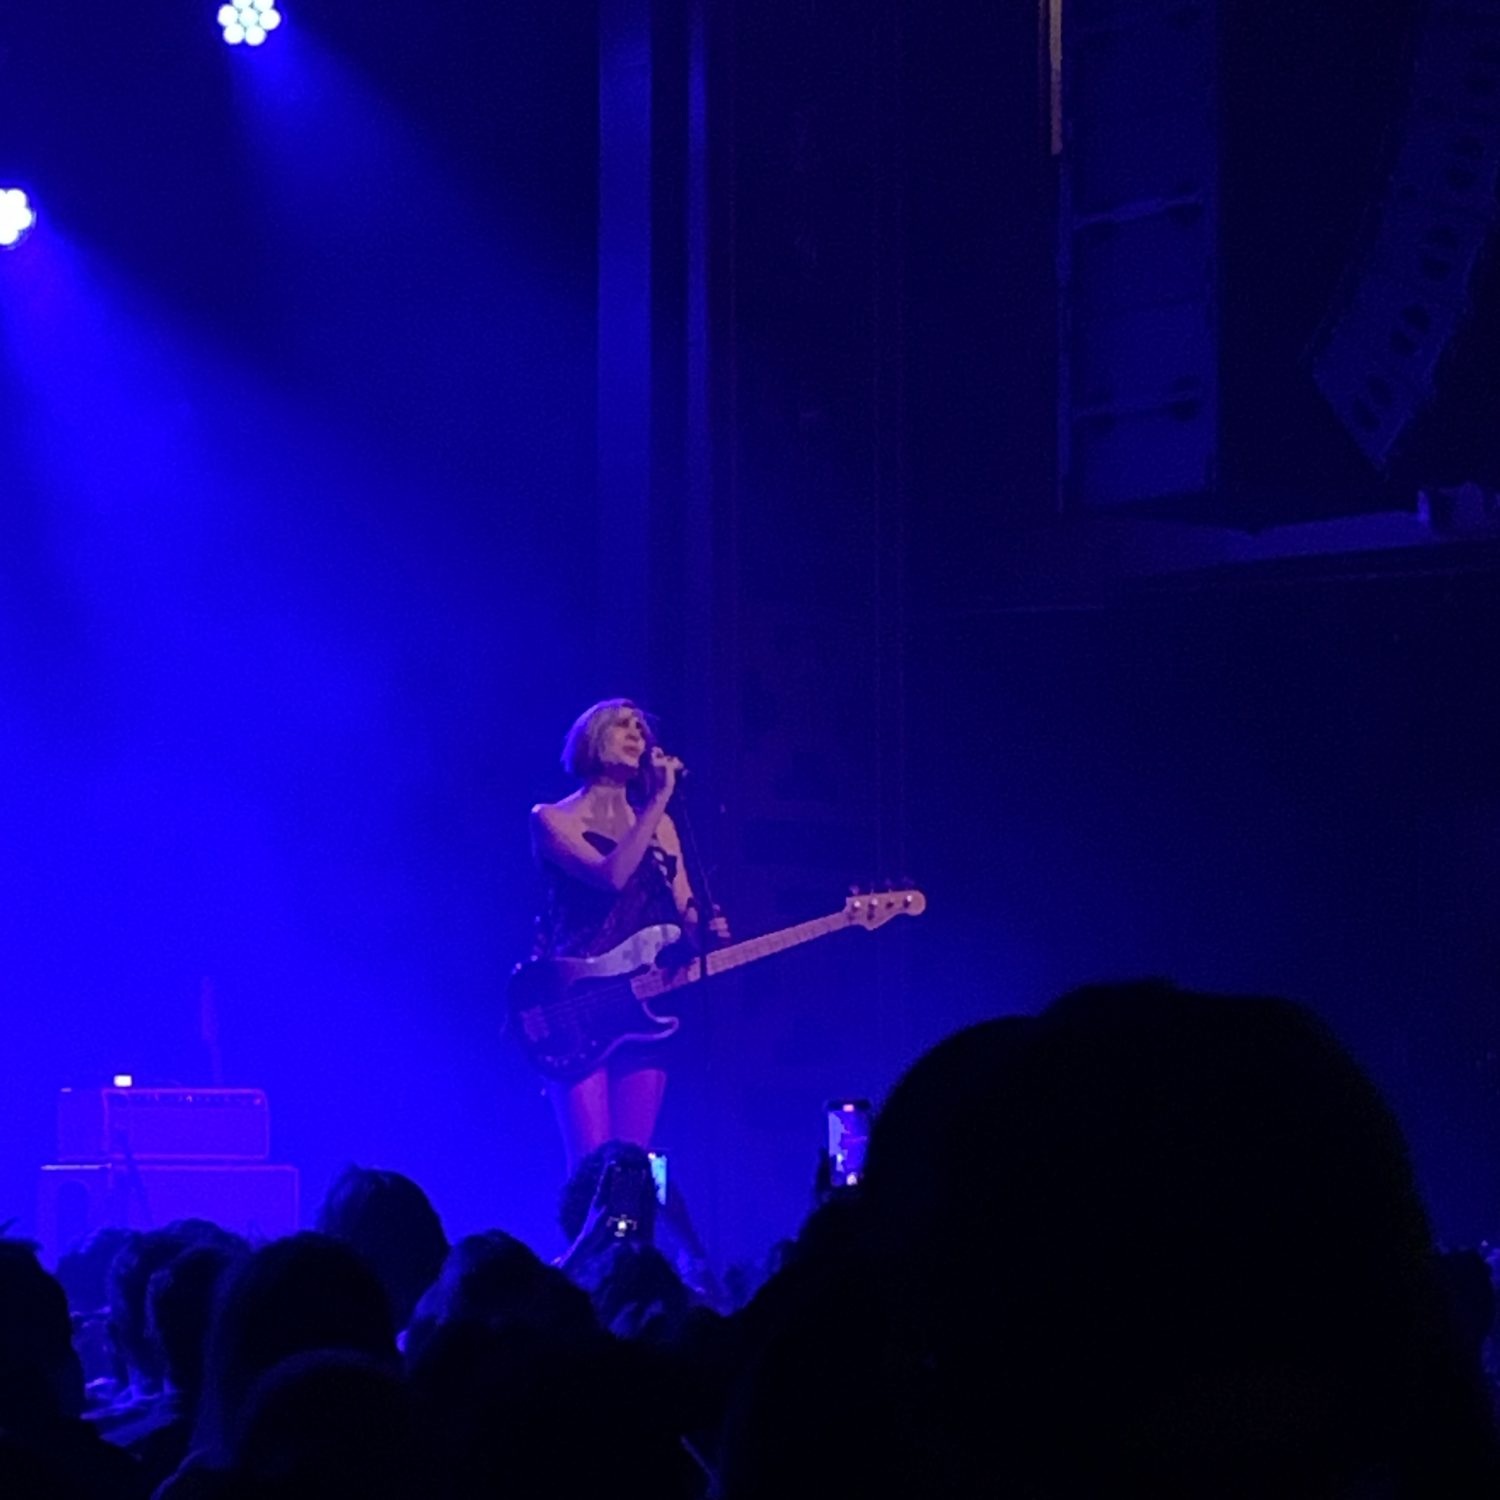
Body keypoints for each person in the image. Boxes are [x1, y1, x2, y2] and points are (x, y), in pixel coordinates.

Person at [529, 699, 727, 1171]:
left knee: (632, 1167)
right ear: (591, 738)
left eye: (642, 726)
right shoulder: (552, 819)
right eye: (622, 724)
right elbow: (610, 876)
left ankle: (634, 1245)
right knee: (592, 1168)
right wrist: (657, 801)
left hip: (646, 1002)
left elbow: (682, 911)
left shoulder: (665, 826)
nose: (638, 732)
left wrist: (704, 931)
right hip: (577, 1003)